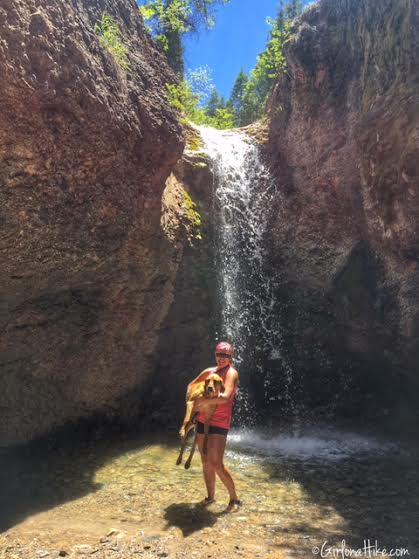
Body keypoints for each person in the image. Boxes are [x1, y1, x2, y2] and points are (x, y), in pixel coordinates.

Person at [187, 341, 241, 512]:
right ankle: (210, 497)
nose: (221, 358)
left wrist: (204, 400)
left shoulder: (232, 373)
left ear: (230, 357)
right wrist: (193, 404)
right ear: (215, 355)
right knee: (205, 461)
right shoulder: (208, 372)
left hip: (219, 422)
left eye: (225, 356)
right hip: (202, 420)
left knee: (216, 463)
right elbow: (191, 386)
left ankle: (234, 499)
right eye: (219, 355)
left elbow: (225, 397)